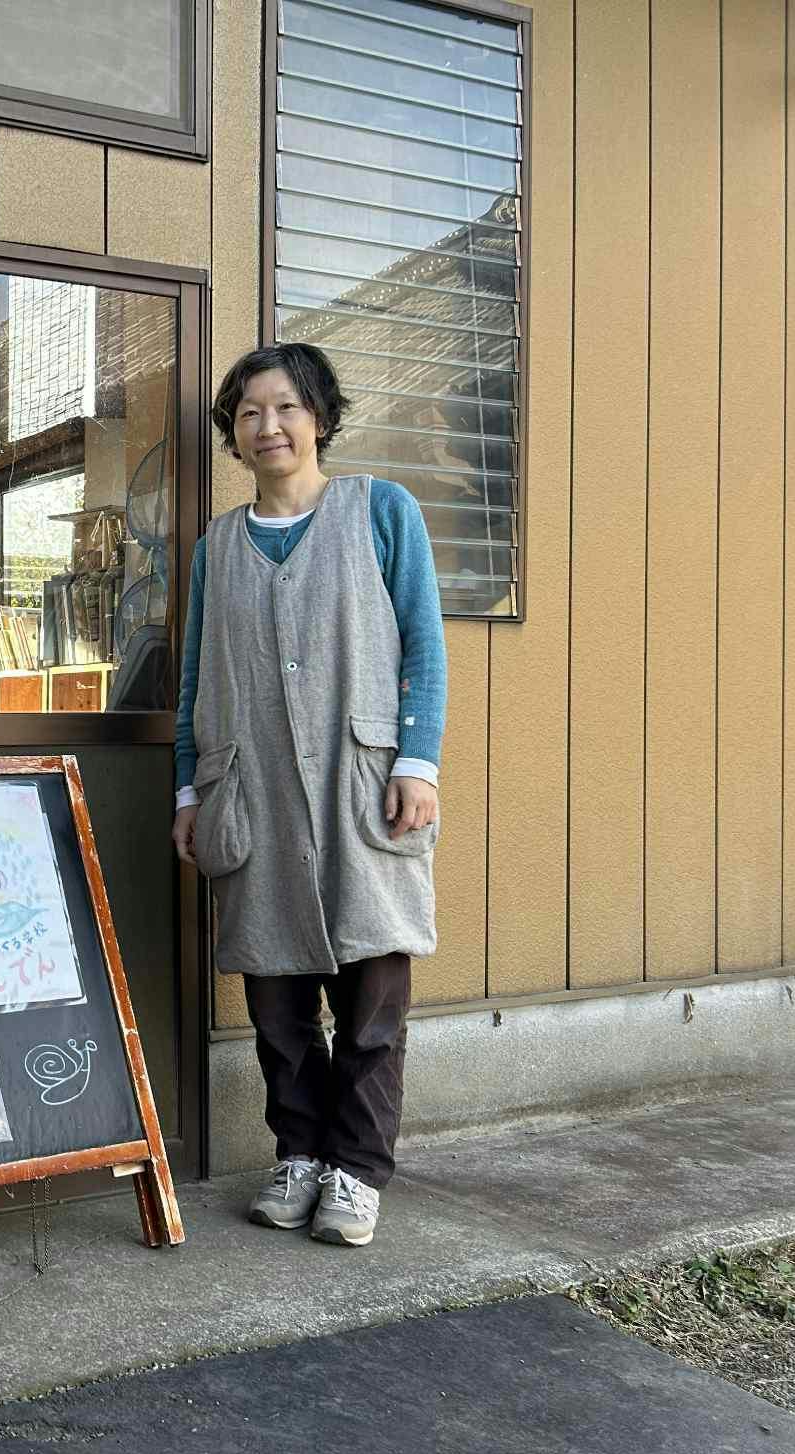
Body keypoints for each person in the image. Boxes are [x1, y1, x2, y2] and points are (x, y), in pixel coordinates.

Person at [171, 342, 445, 1248]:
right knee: (279, 1011)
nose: (269, 426)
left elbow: (423, 646)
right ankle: (299, 1152)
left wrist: (418, 761)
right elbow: (195, 680)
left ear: (319, 417)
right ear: (234, 432)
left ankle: (356, 1169)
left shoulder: (381, 512)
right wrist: (188, 790)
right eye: (249, 412)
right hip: (253, 798)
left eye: (286, 406)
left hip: (362, 787)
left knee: (373, 1005)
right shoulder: (218, 545)